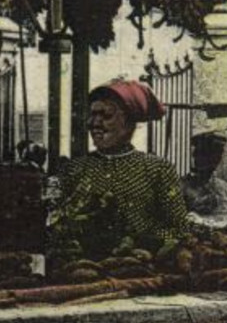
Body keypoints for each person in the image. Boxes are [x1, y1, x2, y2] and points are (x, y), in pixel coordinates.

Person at [46, 80, 190, 273]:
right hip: (81, 269)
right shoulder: (74, 169)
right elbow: (54, 222)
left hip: (140, 269)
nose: (94, 123)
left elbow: (178, 228)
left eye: (106, 115)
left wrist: (141, 240)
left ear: (129, 121)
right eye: (92, 115)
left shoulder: (157, 169)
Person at [181, 130, 227, 216]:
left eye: (218, 155)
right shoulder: (183, 187)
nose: (215, 160)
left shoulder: (225, 189)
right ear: (196, 156)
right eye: (207, 155)